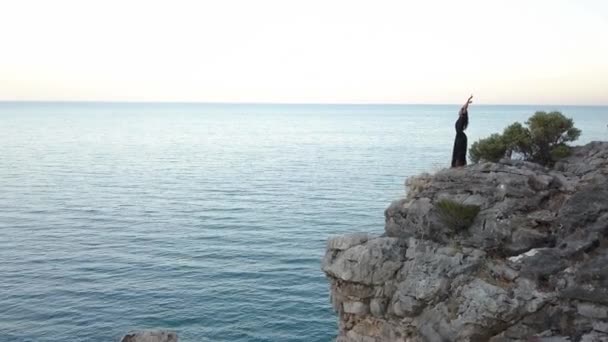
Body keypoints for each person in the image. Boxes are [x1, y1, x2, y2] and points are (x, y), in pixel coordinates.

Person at [451, 95, 473, 167]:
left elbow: (464, 108)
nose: (460, 110)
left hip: (461, 137)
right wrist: (467, 102)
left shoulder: (462, 117)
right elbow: (463, 107)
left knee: (459, 153)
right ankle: (456, 166)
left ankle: (459, 166)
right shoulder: (460, 117)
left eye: (461, 110)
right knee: (456, 152)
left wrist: (468, 101)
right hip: (458, 136)